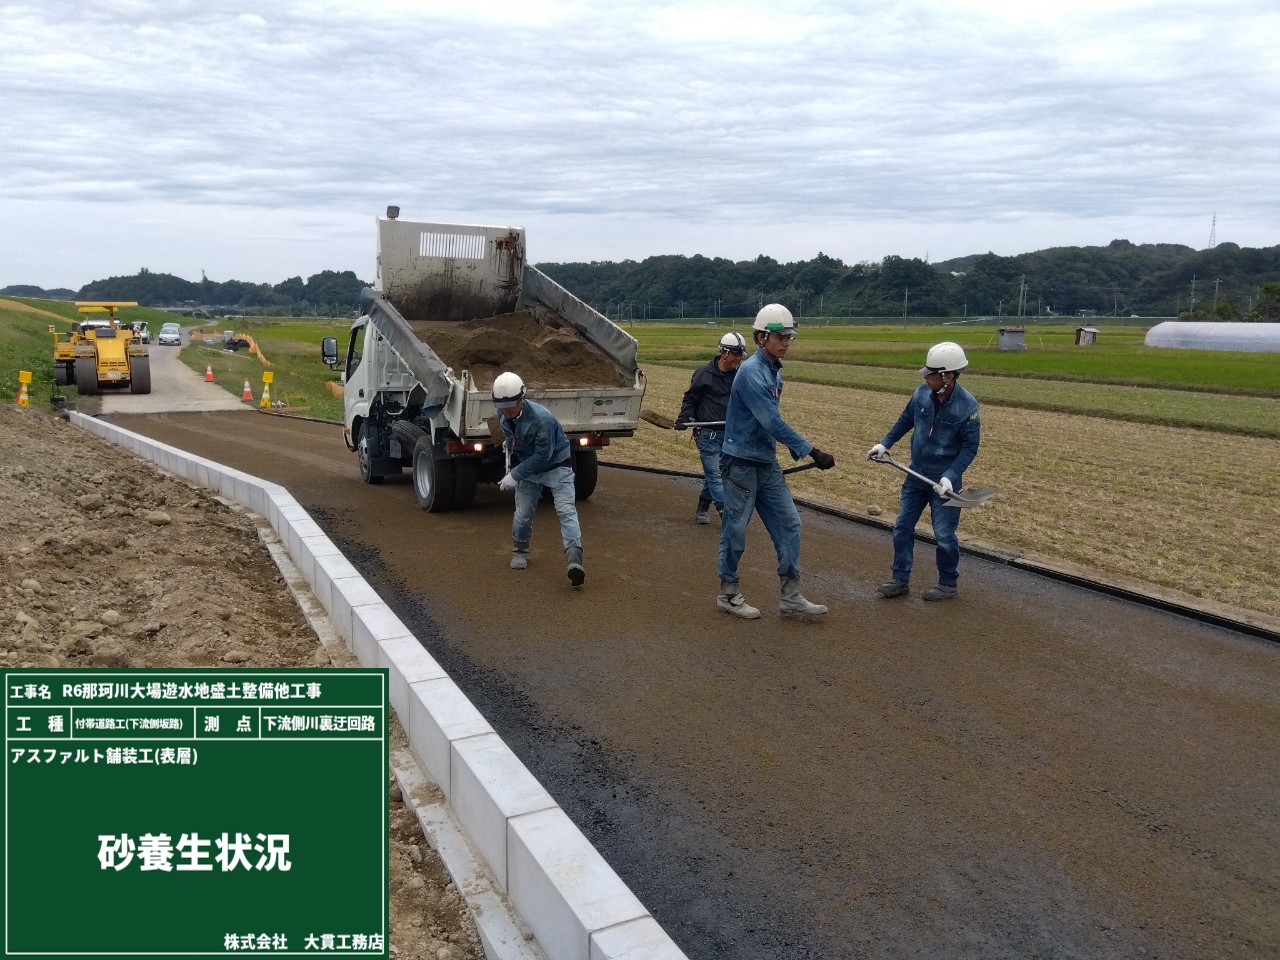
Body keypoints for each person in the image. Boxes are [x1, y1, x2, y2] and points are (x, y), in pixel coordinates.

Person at [716, 304, 836, 620]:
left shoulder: (773, 370)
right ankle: (728, 594)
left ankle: (791, 597)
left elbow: (769, 423)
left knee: (789, 524)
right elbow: (771, 421)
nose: (786, 342)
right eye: (780, 337)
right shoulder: (751, 373)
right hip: (740, 463)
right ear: (761, 337)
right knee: (736, 531)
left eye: (789, 337)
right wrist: (811, 451)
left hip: (765, 462)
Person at [867, 341, 981, 601]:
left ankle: (948, 584)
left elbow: (969, 448)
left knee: (944, 535)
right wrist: (885, 443)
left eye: (931, 374)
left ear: (948, 376)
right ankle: (899, 579)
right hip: (915, 475)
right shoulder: (921, 393)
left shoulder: (968, 407)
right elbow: (905, 420)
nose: (925, 377)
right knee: (902, 527)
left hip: (945, 483)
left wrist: (950, 476)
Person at [493, 372, 586, 586]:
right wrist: (510, 442)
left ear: (522, 398)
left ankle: (574, 561)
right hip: (528, 466)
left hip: (556, 465)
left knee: (566, 511)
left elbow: (543, 456)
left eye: (511, 405)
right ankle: (520, 550)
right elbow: (510, 433)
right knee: (523, 513)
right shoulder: (502, 414)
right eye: (502, 406)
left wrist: (514, 475)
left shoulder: (542, 419)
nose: (507, 410)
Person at [677, 330, 747, 524]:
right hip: (707, 435)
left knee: (719, 474)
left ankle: (702, 506)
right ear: (724, 352)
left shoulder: (741, 374)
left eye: (740, 354)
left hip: (731, 435)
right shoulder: (704, 373)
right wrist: (684, 417)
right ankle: (728, 515)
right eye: (735, 354)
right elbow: (691, 398)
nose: (738, 358)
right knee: (717, 475)